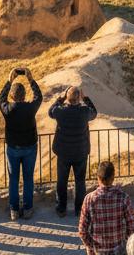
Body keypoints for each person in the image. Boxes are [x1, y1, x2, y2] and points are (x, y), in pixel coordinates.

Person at [0, 67, 42, 220]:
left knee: (13, 179)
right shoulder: (30, 108)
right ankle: (28, 209)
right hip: (30, 147)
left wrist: (9, 80)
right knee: (28, 178)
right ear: (24, 95)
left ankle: (14, 210)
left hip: (12, 148)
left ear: (11, 96)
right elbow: (39, 97)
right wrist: (31, 79)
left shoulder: (7, 109)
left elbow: (1, 98)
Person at [49, 85, 98, 216]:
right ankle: (79, 209)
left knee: (62, 181)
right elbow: (94, 112)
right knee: (80, 182)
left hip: (63, 152)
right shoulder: (85, 111)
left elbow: (50, 112)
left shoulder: (60, 111)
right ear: (79, 98)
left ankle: (61, 208)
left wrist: (61, 99)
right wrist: (85, 98)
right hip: (80, 152)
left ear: (67, 98)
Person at [78, 161, 134, 255]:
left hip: (98, 251)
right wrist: (125, 245)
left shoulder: (89, 199)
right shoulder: (124, 198)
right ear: (113, 177)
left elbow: (82, 231)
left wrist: (91, 247)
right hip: (119, 250)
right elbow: (131, 226)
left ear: (98, 178)